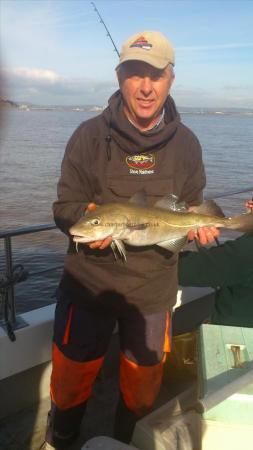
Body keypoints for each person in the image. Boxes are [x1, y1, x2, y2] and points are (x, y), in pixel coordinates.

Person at [42, 30, 218, 449]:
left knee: (141, 388)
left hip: (152, 292)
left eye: (155, 75)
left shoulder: (188, 144)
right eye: (134, 73)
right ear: (120, 77)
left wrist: (202, 229)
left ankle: (125, 440)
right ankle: (61, 438)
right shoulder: (87, 135)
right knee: (69, 381)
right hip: (89, 286)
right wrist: (84, 218)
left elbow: (193, 205)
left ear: (171, 79)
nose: (145, 87)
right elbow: (64, 205)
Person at [178, 200, 253, 328]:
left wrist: (181, 234)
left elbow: (182, 271)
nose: (248, 204)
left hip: (236, 336)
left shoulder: (245, 251)